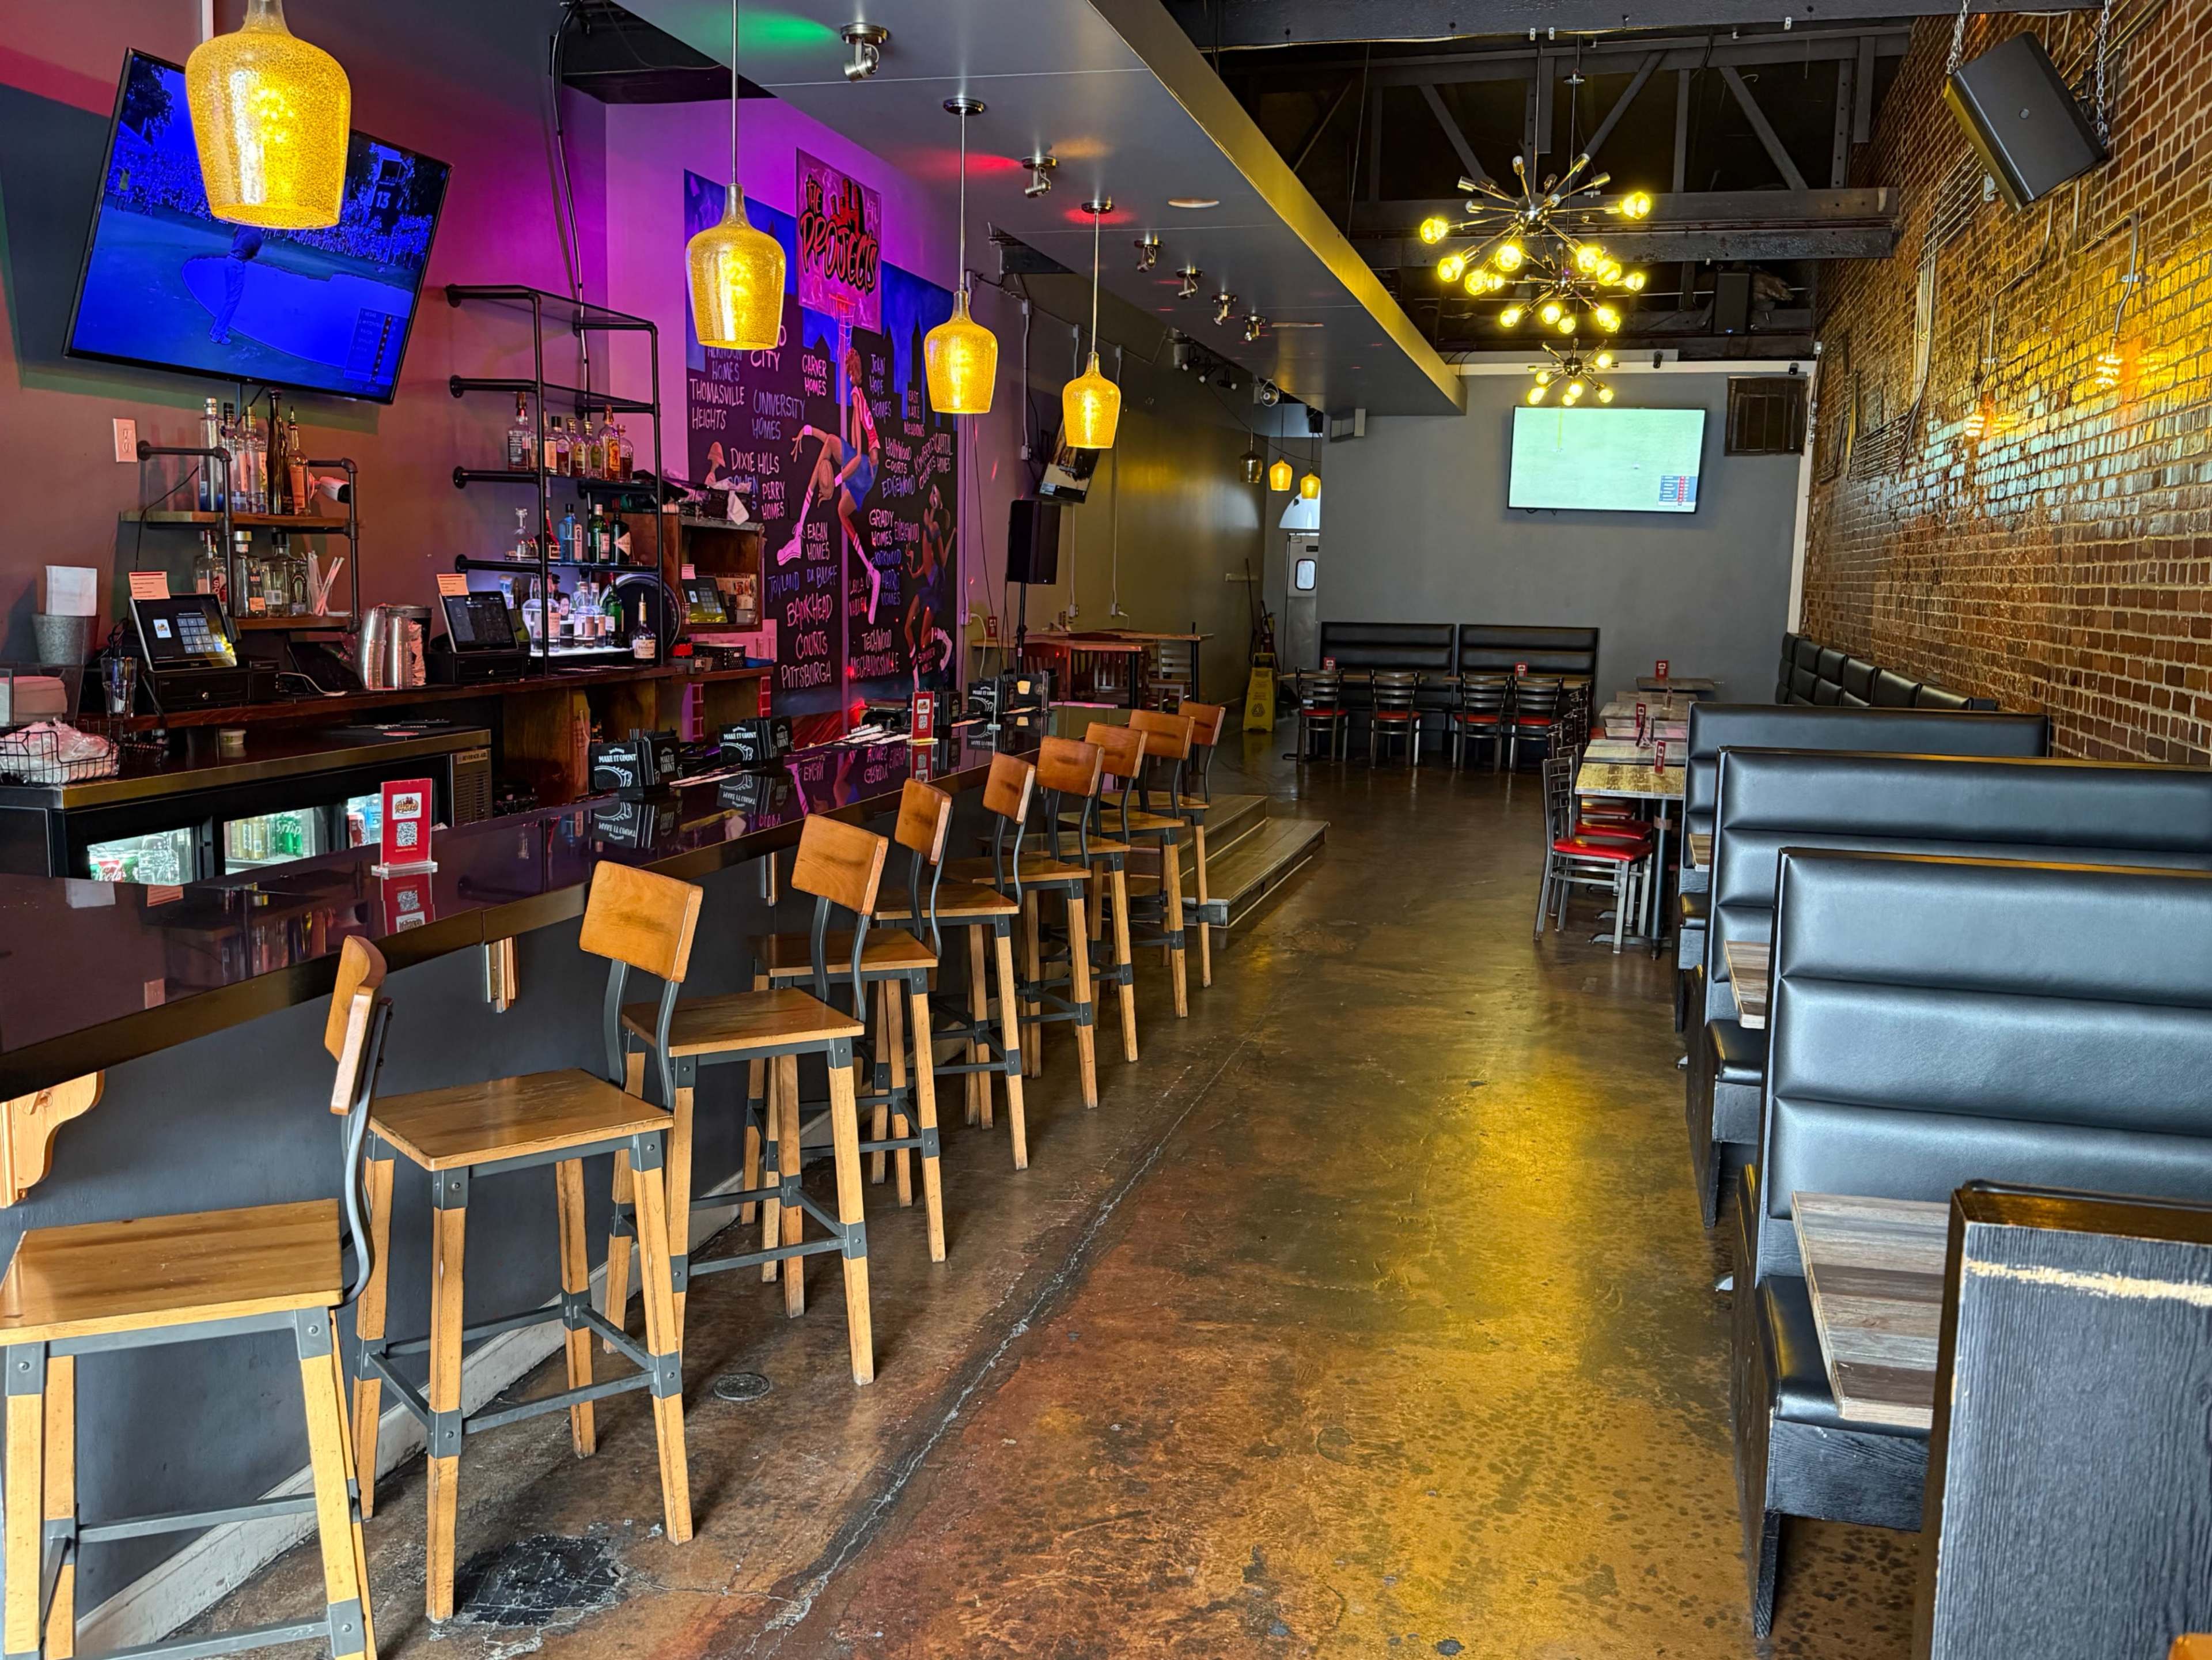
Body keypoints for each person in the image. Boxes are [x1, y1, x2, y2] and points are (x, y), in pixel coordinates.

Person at [782, 322, 883, 618]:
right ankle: (872, 571)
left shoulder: (857, 396)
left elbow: (858, 454)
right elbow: (853, 441)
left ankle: (798, 535)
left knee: (830, 443)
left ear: (851, 372)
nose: (847, 374)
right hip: (867, 476)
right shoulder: (858, 397)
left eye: (847, 370)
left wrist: (836, 481)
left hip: (864, 469)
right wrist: (807, 431)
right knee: (841, 512)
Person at [209, 225, 263, 345]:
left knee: (229, 300)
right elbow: (252, 255)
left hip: (229, 260)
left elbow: (234, 233)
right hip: (237, 266)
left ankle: (216, 329)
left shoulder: (244, 225)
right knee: (232, 302)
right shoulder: (258, 236)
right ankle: (219, 335)